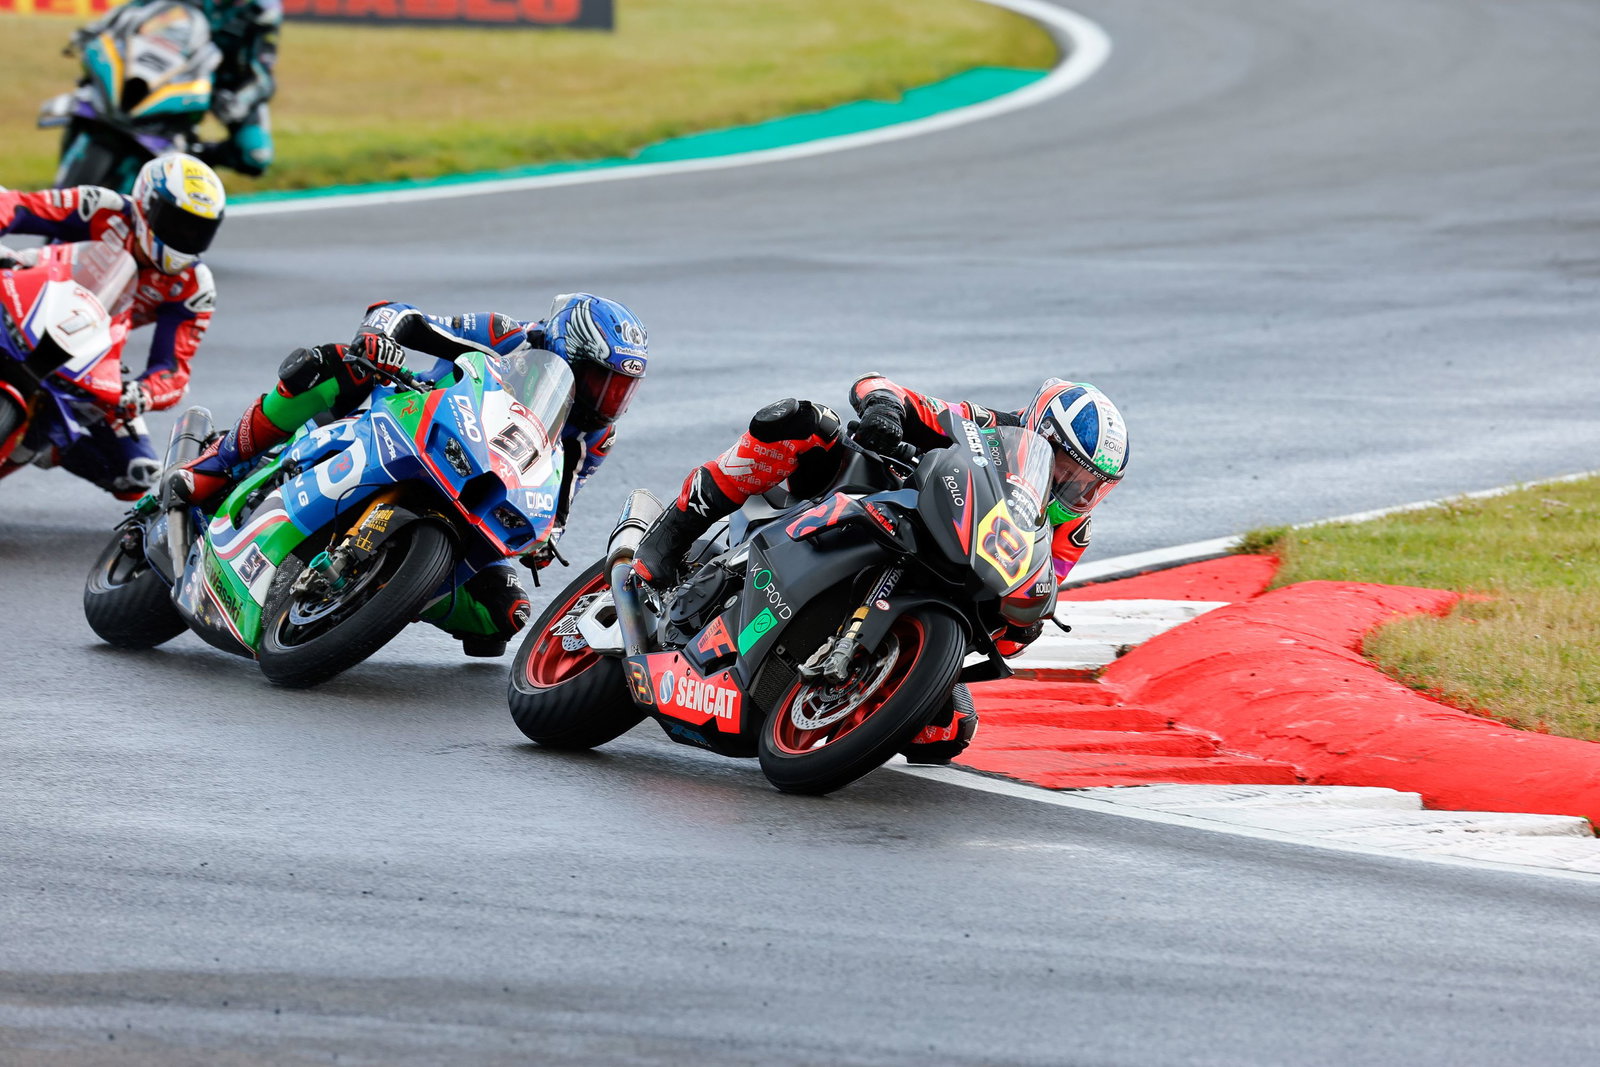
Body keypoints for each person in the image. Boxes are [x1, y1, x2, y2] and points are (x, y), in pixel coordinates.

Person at [630, 374, 1130, 758]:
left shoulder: (1070, 530)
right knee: (802, 422)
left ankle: (850, 687)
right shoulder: (987, 426)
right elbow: (880, 386)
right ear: (1039, 432)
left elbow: (1034, 587)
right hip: (878, 501)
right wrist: (886, 410)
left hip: (946, 583)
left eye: (1089, 485)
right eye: (1066, 469)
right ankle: (673, 533)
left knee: (946, 733)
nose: (1073, 489)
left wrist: (1023, 624)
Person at [173, 293, 650, 655]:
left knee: (505, 616)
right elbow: (400, 315)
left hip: (476, 491)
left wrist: (546, 539)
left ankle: (388, 589)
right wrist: (378, 337)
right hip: (411, 424)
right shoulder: (508, 336)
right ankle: (214, 464)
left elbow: (563, 495)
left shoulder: (595, 437)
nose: (609, 399)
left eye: (622, 389)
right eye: (601, 381)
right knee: (333, 365)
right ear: (567, 349)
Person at [0, 153, 225, 499]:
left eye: (198, 230)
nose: (186, 236)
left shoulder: (194, 287)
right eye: (177, 222)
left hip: (87, 356)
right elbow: (18, 205)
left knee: (136, 472)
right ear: (147, 204)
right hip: (25, 299)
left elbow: (173, 372)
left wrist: (141, 393)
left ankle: (46, 442)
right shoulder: (100, 206)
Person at [72, 0, 281, 178]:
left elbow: (264, 76)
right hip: (176, 69)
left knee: (256, 155)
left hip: (227, 88)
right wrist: (97, 28)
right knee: (106, 84)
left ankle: (193, 161)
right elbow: (138, 7)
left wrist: (240, 99)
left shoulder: (264, 10)